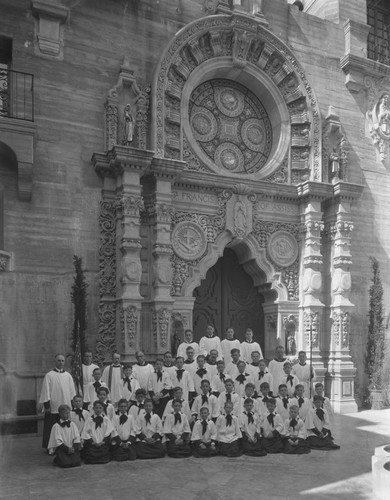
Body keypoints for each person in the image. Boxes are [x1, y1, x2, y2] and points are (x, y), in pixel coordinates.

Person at [39, 353, 77, 449]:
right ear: (55, 361)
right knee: (52, 428)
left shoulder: (68, 375)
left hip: (66, 406)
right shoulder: (49, 375)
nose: (61, 363)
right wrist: (47, 406)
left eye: (62, 361)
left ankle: (66, 446)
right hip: (54, 407)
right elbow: (45, 391)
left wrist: (73, 404)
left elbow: (72, 391)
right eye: (59, 360)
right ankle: (51, 447)